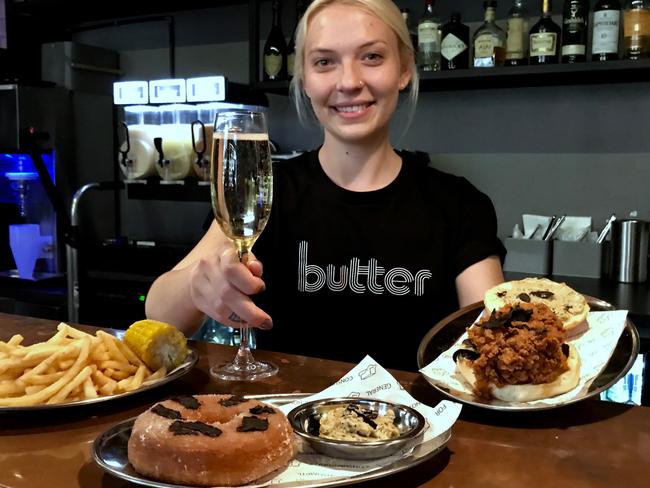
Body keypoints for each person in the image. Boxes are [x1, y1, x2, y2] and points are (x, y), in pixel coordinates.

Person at [145, 0, 506, 371]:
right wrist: (198, 287)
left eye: (372, 57)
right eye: (324, 62)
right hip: (287, 421)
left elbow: (495, 341)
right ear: (303, 80)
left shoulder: (460, 204)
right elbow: (158, 313)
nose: (349, 82)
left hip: (417, 426)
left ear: (405, 69)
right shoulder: (272, 191)